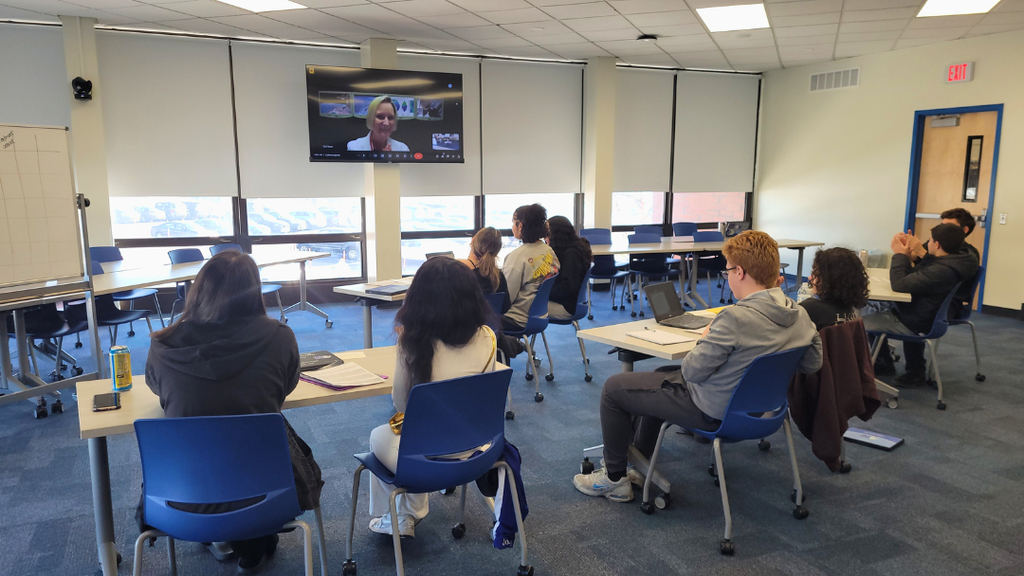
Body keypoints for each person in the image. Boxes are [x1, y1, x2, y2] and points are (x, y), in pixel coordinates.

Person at [573, 231, 822, 502]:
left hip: (713, 410)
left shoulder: (734, 318)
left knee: (613, 388)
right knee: (659, 377)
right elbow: (813, 364)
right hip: (767, 412)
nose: (727, 276)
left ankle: (614, 479)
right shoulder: (800, 315)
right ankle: (641, 462)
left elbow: (691, 371)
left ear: (740, 272)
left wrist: (705, 337)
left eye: (727, 271)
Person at [144, 251, 322, 573]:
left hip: (182, 490)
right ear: (254, 292)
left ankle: (216, 531)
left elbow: (158, 391)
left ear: (198, 290)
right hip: (265, 488)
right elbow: (286, 387)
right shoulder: (280, 337)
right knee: (270, 432)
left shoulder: (163, 344)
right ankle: (251, 542)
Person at [366, 257, 497, 538]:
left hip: (426, 459)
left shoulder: (412, 343)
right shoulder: (487, 337)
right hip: (479, 449)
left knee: (382, 436)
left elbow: (401, 405)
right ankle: (404, 514)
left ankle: (399, 517)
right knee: (412, 437)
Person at [864, 223, 979, 386]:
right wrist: (911, 256)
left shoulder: (941, 270)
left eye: (930, 240)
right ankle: (883, 362)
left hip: (915, 320)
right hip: (922, 312)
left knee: (859, 318)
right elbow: (918, 275)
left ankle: (883, 363)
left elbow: (900, 284)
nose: (927, 244)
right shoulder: (958, 261)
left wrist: (900, 255)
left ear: (937, 244)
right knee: (872, 306)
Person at [901, 208, 980, 319]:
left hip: (944, 302)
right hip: (927, 294)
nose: (943, 229)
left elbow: (942, 269)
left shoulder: (967, 255)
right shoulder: (937, 241)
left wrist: (922, 253)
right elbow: (920, 258)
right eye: (942, 225)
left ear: (965, 230)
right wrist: (908, 252)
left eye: (948, 226)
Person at [501, 204, 559, 333]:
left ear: (520, 226)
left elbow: (506, 298)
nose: (512, 227)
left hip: (517, 319)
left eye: (513, 223)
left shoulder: (517, 257)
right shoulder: (549, 251)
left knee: (474, 319)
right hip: (540, 315)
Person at [800, 247, 870, 331]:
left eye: (816, 274)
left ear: (830, 279)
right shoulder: (849, 309)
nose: (810, 278)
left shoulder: (810, 308)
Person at [546, 216, 593, 320]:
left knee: (522, 308)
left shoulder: (571, 255)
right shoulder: (574, 248)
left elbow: (567, 289)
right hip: (570, 303)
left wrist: (542, 292)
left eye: (547, 234)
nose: (545, 238)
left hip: (566, 307)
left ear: (557, 234)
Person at [459, 226, 511, 313]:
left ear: (472, 240)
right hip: (493, 322)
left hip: (467, 322)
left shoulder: (460, 273)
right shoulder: (499, 276)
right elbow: (505, 308)